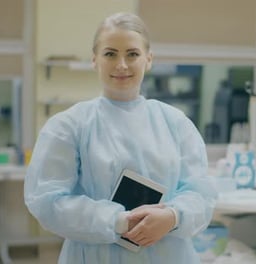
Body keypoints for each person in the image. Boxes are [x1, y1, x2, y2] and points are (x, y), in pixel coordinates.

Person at [24, 12, 217, 264]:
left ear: (149, 59)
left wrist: (173, 216)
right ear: (95, 60)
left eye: (132, 54)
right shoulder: (69, 125)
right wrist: (116, 221)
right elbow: (48, 202)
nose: (122, 64)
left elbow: (200, 193)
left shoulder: (175, 123)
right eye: (110, 53)